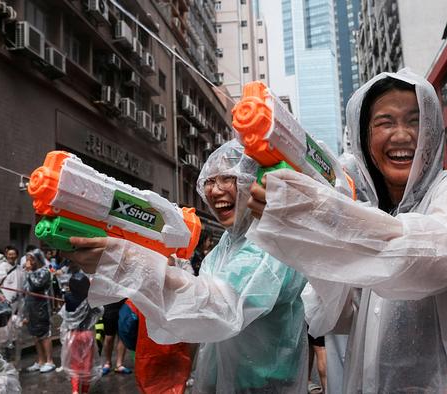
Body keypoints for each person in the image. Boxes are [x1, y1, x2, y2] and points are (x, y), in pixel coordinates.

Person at [246, 69, 447, 392]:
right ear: (365, 139)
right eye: (385, 122)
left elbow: (431, 254)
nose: (401, 135)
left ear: (431, 132)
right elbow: (333, 315)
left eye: (414, 121)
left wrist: (321, 216)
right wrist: (303, 235)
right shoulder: (374, 217)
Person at [67, 141, 309, 393]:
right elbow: (197, 318)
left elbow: (221, 305)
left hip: (267, 386)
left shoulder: (271, 241)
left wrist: (130, 263)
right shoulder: (223, 247)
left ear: (253, 180)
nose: (215, 191)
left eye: (228, 178)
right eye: (209, 182)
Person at [59, 272, 103, 394]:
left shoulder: (68, 298)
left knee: (75, 364)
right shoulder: (90, 300)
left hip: (72, 335)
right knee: (87, 365)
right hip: (87, 335)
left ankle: (74, 390)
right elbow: (100, 311)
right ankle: (84, 391)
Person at [22, 249, 55, 373]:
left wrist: (29, 272)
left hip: (42, 307)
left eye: (31, 259)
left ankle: (49, 361)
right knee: (35, 335)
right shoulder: (31, 272)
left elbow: (37, 285)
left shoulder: (45, 271)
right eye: (27, 259)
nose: (29, 262)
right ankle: (40, 361)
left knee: (44, 334)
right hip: (31, 307)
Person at [98, 300, 130, 375]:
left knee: (122, 336)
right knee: (109, 337)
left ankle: (119, 364)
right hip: (109, 306)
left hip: (124, 305)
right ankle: (108, 362)